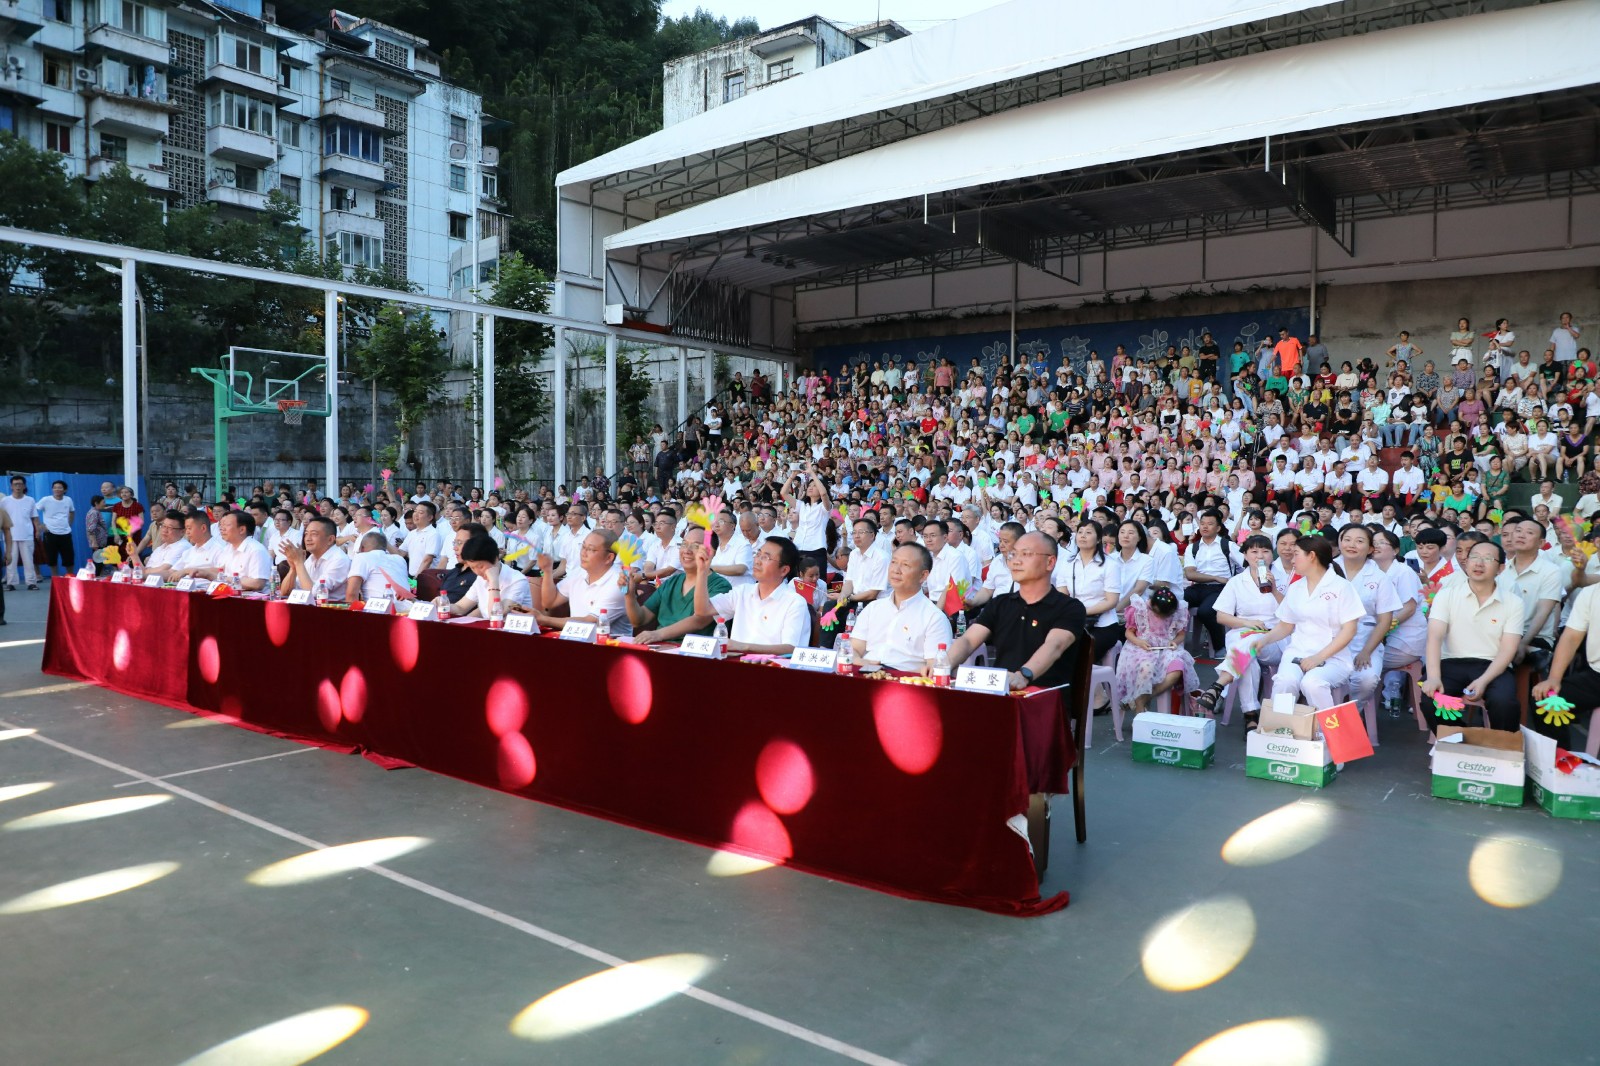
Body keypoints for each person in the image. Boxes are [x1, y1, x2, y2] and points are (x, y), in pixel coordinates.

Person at [945, 530, 1085, 691]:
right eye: (1013, 555)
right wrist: (942, 666)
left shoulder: (1069, 608)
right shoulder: (1000, 604)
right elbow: (969, 641)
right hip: (1000, 693)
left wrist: (1023, 675)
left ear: (1050, 562)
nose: (1016, 561)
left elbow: (1055, 645)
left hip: (1045, 696)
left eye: (1026, 554)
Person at [1250, 534, 1364, 710]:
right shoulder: (1296, 587)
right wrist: (1264, 640)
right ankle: (1280, 724)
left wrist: (1319, 657)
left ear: (1311, 556)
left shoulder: (1342, 587)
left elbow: (1349, 630)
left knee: (1313, 683)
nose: (1292, 559)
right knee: (1284, 682)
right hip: (1297, 652)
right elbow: (1286, 625)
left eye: (1296, 554)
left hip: (1333, 657)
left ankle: (1326, 727)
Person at [1420, 540, 1523, 733]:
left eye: (1488, 559)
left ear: (1500, 568)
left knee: (1504, 703)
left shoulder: (1513, 602)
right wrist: (1433, 677)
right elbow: (1434, 637)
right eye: (1474, 557)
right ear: (1466, 563)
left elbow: (1508, 649)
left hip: (1492, 665)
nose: (1479, 563)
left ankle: (1502, 747)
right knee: (1430, 700)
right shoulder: (1446, 595)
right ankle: (1462, 740)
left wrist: (1483, 680)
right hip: (1450, 663)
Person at [1196, 534, 1285, 722]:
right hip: (1244, 634)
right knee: (1248, 661)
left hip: (1275, 639)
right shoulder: (1236, 581)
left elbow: (1292, 614)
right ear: (1245, 555)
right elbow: (1221, 616)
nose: (1260, 556)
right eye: (1254, 551)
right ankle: (1250, 716)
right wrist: (1247, 622)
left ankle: (1218, 685)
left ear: (1272, 555)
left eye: (1265, 551)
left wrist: (1275, 590)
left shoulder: (1283, 579)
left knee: (1250, 644)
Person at [692, 535, 810, 655]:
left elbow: (791, 648)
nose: (757, 561)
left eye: (765, 557)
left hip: (772, 665)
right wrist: (702, 571)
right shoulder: (743, 591)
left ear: (784, 570)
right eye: (758, 554)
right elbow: (702, 610)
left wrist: (743, 647)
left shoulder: (795, 602)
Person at [849, 542, 953, 674]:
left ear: (923, 575)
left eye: (905, 565)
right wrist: (861, 661)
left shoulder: (934, 617)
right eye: (893, 562)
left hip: (905, 680)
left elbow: (935, 667)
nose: (896, 570)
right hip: (866, 674)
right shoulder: (873, 608)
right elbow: (854, 648)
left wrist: (895, 674)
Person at [625, 527, 727, 644]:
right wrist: (629, 595)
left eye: (696, 546)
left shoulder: (721, 586)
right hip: (661, 647)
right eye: (684, 544)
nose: (687, 550)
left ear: (711, 553)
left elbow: (700, 621)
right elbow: (639, 620)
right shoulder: (672, 582)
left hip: (694, 650)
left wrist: (658, 634)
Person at [528, 529, 632, 637]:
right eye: (583, 547)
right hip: (576, 639)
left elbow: (591, 622)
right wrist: (547, 571)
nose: (583, 553)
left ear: (609, 557)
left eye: (591, 549)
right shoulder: (579, 574)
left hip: (609, 644)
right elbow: (550, 602)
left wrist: (544, 620)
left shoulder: (618, 583)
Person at [1116, 585, 1200, 714]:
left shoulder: (1180, 611)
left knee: (1178, 670)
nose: (1161, 617)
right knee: (1146, 668)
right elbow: (1129, 633)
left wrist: (1175, 642)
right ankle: (1140, 710)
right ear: (1152, 605)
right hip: (1142, 649)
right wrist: (1139, 642)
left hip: (1167, 650)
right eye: (1158, 613)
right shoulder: (1140, 609)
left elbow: (1181, 634)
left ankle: (1141, 699)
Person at [1181, 508, 1240, 651]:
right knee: (1175, 602)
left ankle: (1220, 647)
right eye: (1202, 524)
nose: (1205, 527)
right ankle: (1173, 642)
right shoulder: (1192, 548)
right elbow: (1190, 574)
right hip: (1198, 587)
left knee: (1205, 611)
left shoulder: (1228, 546)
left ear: (1218, 528)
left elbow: (1245, 565)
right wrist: (1215, 577)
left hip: (1221, 589)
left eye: (1210, 524)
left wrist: (1232, 582)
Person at [444, 534, 532, 619]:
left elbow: (496, 615)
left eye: (480, 566)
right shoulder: (480, 579)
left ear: (495, 559)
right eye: (473, 568)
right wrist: (442, 604)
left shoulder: (517, 580)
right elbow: (461, 607)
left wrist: (493, 581)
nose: (477, 572)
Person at [280, 516, 352, 601]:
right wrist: (293, 568)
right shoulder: (312, 558)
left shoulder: (339, 560)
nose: (307, 539)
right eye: (306, 534)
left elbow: (315, 595)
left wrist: (298, 563)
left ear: (330, 539)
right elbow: (285, 593)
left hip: (330, 608)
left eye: (314, 534)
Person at [345, 530, 412, 603]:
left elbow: (351, 594)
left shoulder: (362, 557)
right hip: (409, 607)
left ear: (361, 548)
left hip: (380, 608)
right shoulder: (400, 559)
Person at [2, 476, 39, 590]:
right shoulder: (4, 501)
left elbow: (35, 517)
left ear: (24, 486)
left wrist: (37, 530)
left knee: (28, 561)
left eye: (20, 484)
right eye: (15, 484)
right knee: (10, 560)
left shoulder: (30, 500)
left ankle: (31, 583)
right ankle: (11, 583)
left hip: (26, 535)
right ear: (11, 486)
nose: (18, 486)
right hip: (10, 536)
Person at [34, 480, 75, 579]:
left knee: (69, 558)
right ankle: (55, 578)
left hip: (65, 533)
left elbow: (72, 511)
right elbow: (34, 510)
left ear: (65, 490)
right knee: (52, 558)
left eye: (60, 487)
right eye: (55, 487)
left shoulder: (68, 500)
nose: (57, 489)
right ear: (52, 489)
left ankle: (70, 578)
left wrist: (69, 524)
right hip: (50, 533)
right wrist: (40, 525)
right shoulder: (46, 500)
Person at [144, 514, 192, 579]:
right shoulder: (159, 548)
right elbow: (145, 570)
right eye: (163, 526)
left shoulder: (183, 546)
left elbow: (164, 570)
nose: (165, 530)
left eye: (169, 528)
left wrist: (146, 572)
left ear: (182, 532)